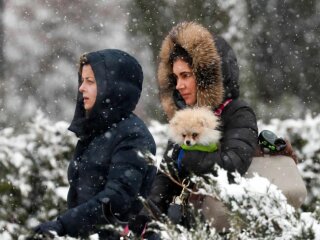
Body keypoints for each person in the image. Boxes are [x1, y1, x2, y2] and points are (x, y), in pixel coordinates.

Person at [130, 21, 259, 236]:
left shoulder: (238, 113)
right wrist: (144, 219)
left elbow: (233, 167)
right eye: (176, 77)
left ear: (208, 76)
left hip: (225, 229)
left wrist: (190, 157)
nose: (179, 85)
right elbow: (166, 178)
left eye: (186, 75)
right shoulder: (186, 117)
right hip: (187, 227)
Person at [33, 49, 156, 239]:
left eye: (90, 81)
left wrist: (63, 225)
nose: (82, 88)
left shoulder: (133, 136)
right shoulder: (97, 131)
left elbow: (115, 200)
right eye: (82, 80)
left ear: (114, 87)